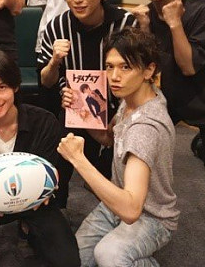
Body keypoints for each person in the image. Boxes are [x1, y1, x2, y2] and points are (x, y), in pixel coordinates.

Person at [58, 27, 179, 267]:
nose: (114, 76)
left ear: (149, 70)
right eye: (110, 66)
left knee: (108, 255)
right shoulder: (134, 100)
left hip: (151, 216)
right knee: (73, 259)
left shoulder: (145, 129)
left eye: (125, 67)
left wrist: (78, 159)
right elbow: (108, 138)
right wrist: (79, 111)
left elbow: (131, 210)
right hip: (115, 204)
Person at [0, 49, 80, 267]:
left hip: (34, 202)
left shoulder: (44, 122)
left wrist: (48, 188)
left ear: (16, 86)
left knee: (69, 261)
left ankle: (26, 225)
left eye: (1, 87)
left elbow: (51, 171)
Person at [38, 0, 135, 207]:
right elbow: (46, 81)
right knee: (60, 158)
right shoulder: (57, 27)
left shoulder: (126, 24)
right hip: (75, 108)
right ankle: (53, 208)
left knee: (117, 173)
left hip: (119, 109)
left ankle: (115, 202)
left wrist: (122, 113)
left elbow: (139, 74)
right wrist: (54, 62)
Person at [131, 0, 205, 167]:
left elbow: (189, 67)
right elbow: (150, 66)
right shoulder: (147, 14)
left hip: (200, 97)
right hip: (170, 99)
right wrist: (144, 28)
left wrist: (175, 23)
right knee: (138, 137)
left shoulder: (199, 10)